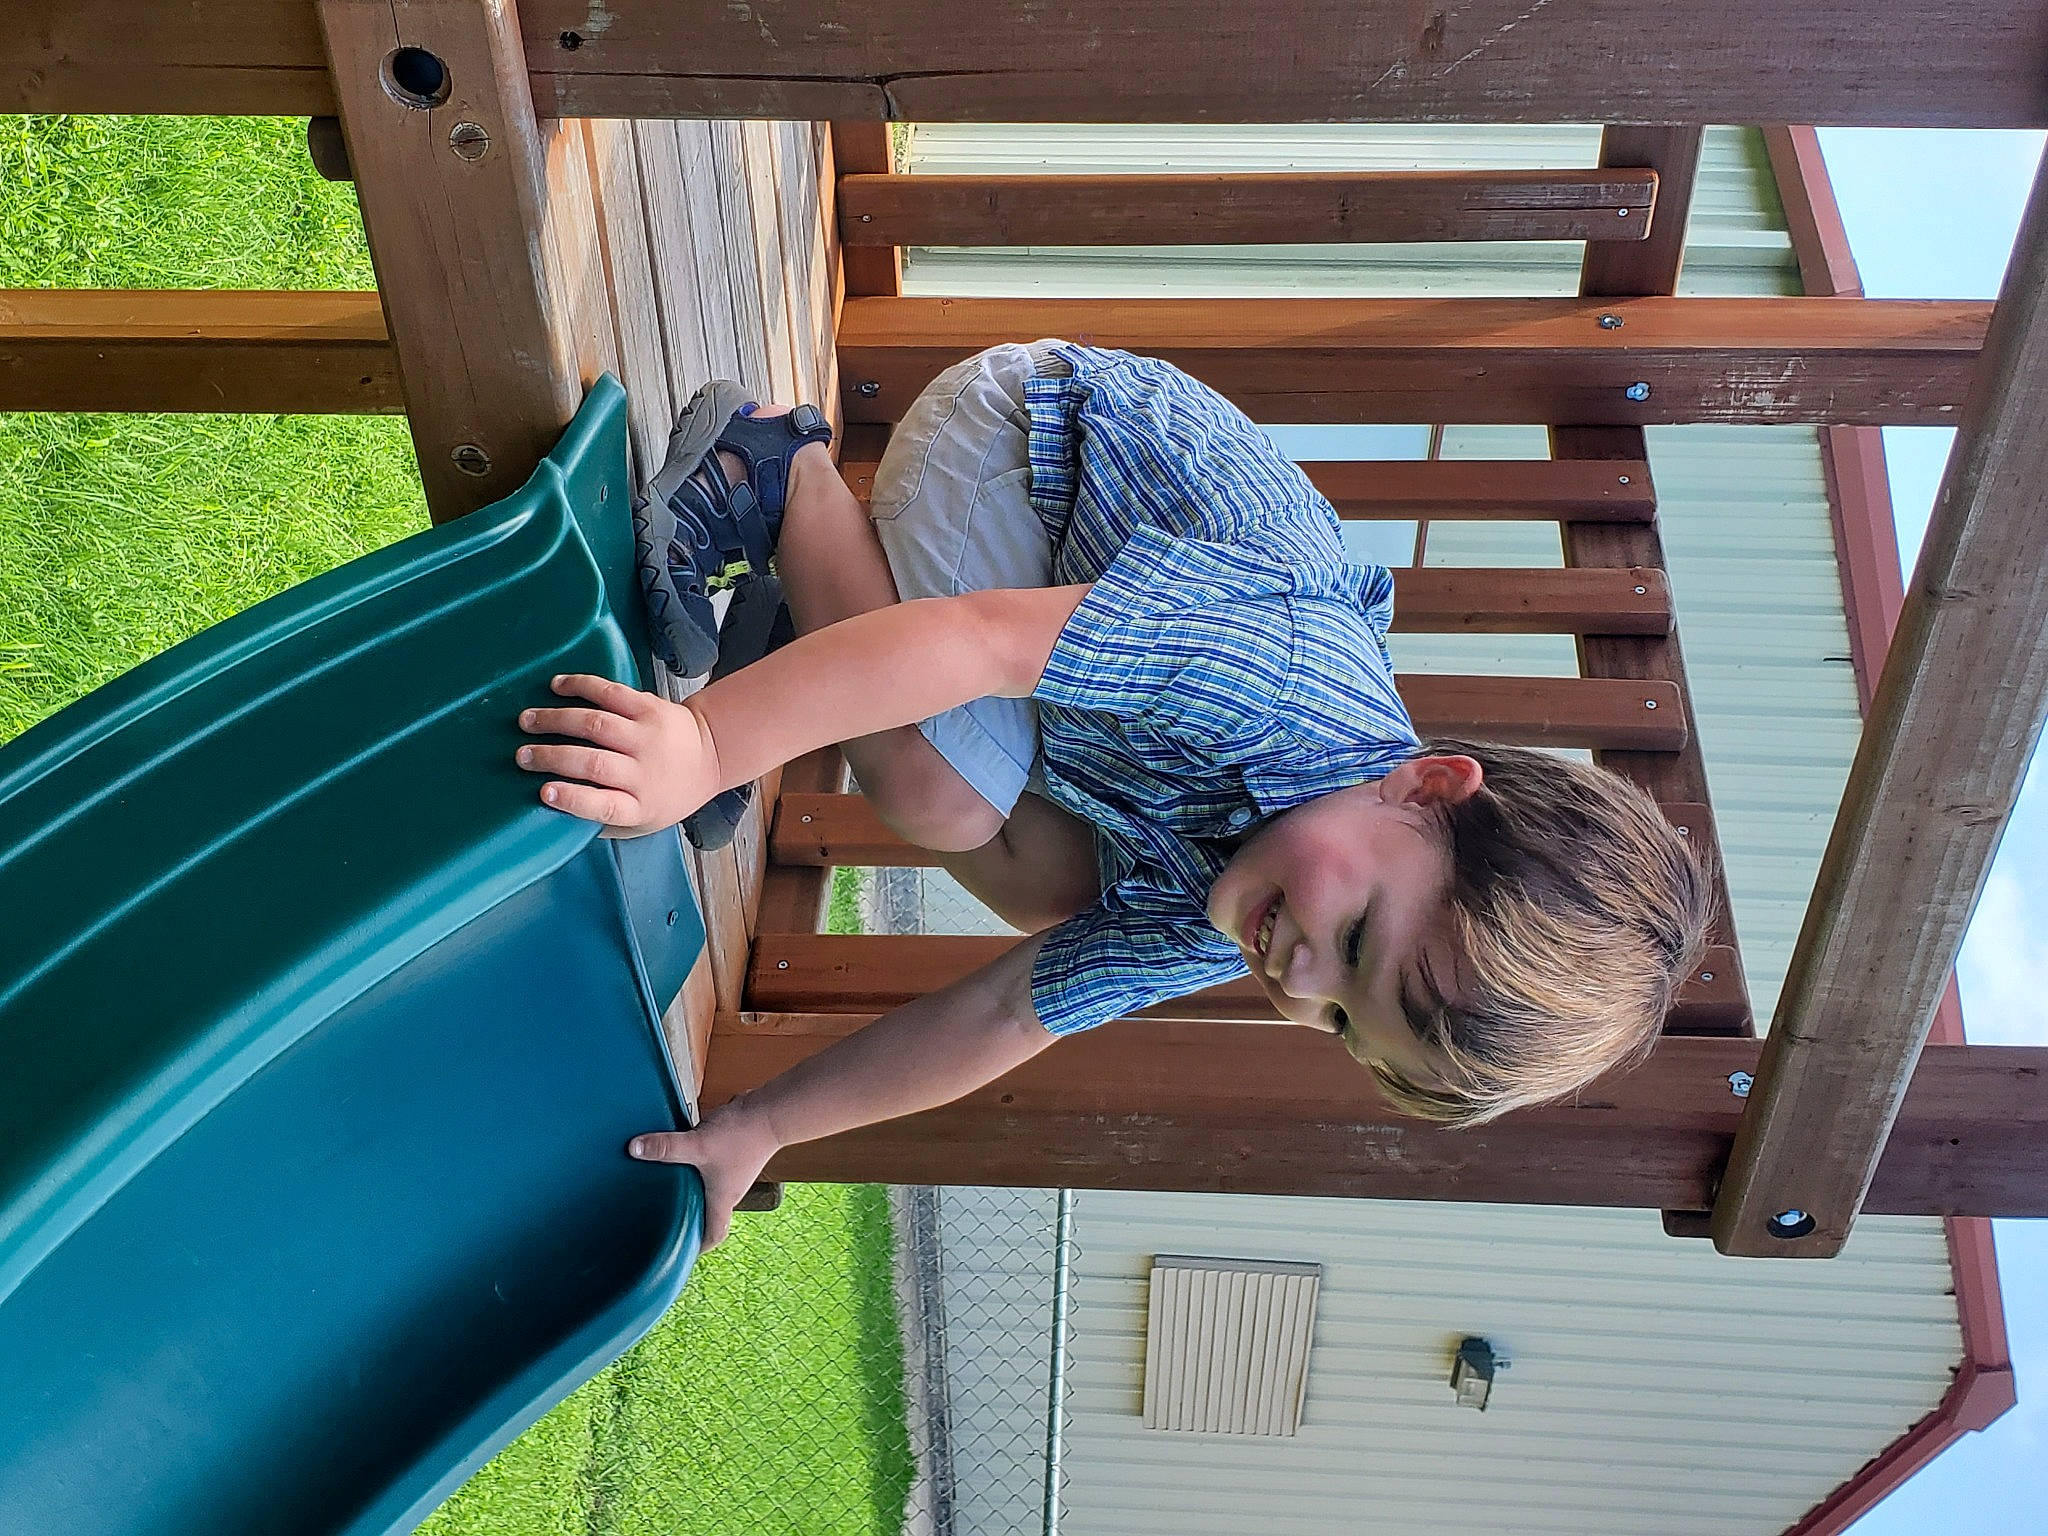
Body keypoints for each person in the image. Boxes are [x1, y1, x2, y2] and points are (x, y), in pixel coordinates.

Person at [514, 342, 1711, 1247]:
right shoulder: (1276, 682)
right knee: (937, 790)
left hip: (1049, 622)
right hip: (1027, 447)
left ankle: (805, 618)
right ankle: (781, 475)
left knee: (1049, 896)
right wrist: (706, 747)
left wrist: (764, 1125)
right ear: (1427, 788)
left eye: (1343, 1020)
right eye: (1356, 941)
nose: (1299, 981)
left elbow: (1003, 1018)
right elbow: (982, 642)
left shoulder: (1261, 904)